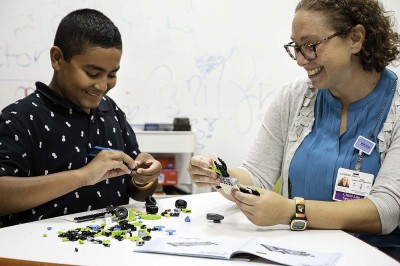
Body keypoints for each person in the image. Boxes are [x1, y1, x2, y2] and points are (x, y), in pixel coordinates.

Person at [187, 0, 400, 260]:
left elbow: (386, 210)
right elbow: (257, 175)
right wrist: (219, 175)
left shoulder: (396, 106)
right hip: (296, 252)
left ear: (355, 39)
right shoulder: (294, 98)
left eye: (310, 46)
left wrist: (292, 211)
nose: (300, 60)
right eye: (296, 47)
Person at [0, 8, 161, 227]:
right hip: (40, 253)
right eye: (93, 74)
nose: (103, 86)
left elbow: (137, 192)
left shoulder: (110, 111)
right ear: (57, 58)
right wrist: (83, 176)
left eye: (112, 75)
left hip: (110, 244)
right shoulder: (20, 118)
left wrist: (144, 179)